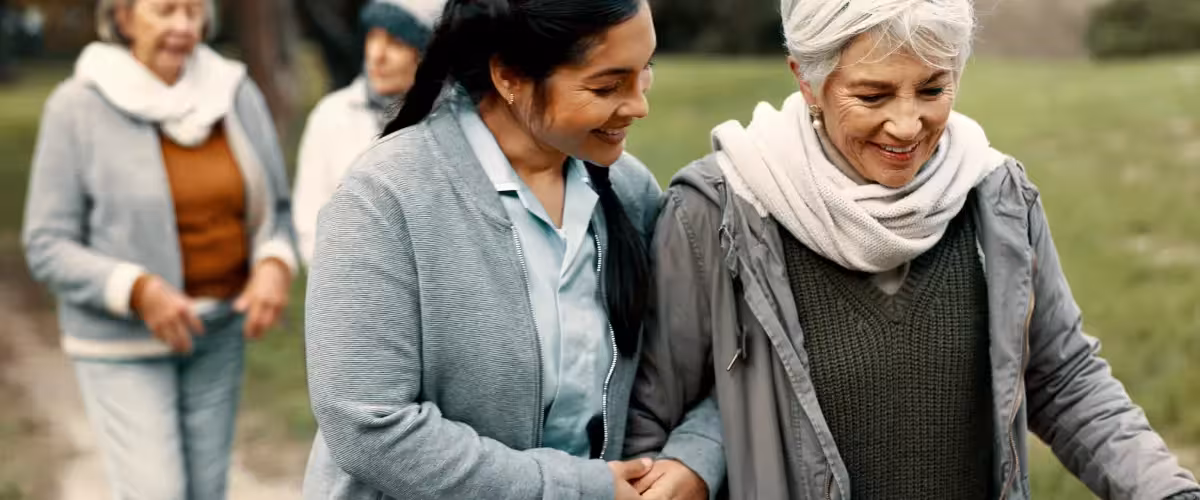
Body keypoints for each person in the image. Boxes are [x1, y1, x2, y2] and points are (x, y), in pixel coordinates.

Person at [624, 0, 1200, 499]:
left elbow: (1064, 379)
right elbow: (655, 424)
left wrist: (1168, 490)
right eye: (872, 95)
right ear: (806, 80)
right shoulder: (716, 213)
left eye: (932, 89)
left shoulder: (998, 200)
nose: (906, 124)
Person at [300, 0, 683, 498]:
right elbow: (369, 426)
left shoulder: (631, 193)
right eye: (607, 86)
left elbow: (698, 364)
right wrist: (574, 489)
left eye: (644, 71)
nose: (638, 105)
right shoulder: (383, 198)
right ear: (509, 75)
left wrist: (692, 460)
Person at [21, 0, 297, 497]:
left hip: (217, 333)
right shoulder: (78, 105)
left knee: (205, 491)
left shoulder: (233, 92)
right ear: (123, 17)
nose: (183, 27)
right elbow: (46, 243)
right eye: (165, 11)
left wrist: (275, 262)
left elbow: (277, 208)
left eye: (194, 13)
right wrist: (137, 288)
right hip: (122, 344)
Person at [294, 0, 445, 264]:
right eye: (373, 37)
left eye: (396, 42)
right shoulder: (332, 115)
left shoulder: (448, 122)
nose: (377, 55)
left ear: (425, 55)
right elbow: (309, 223)